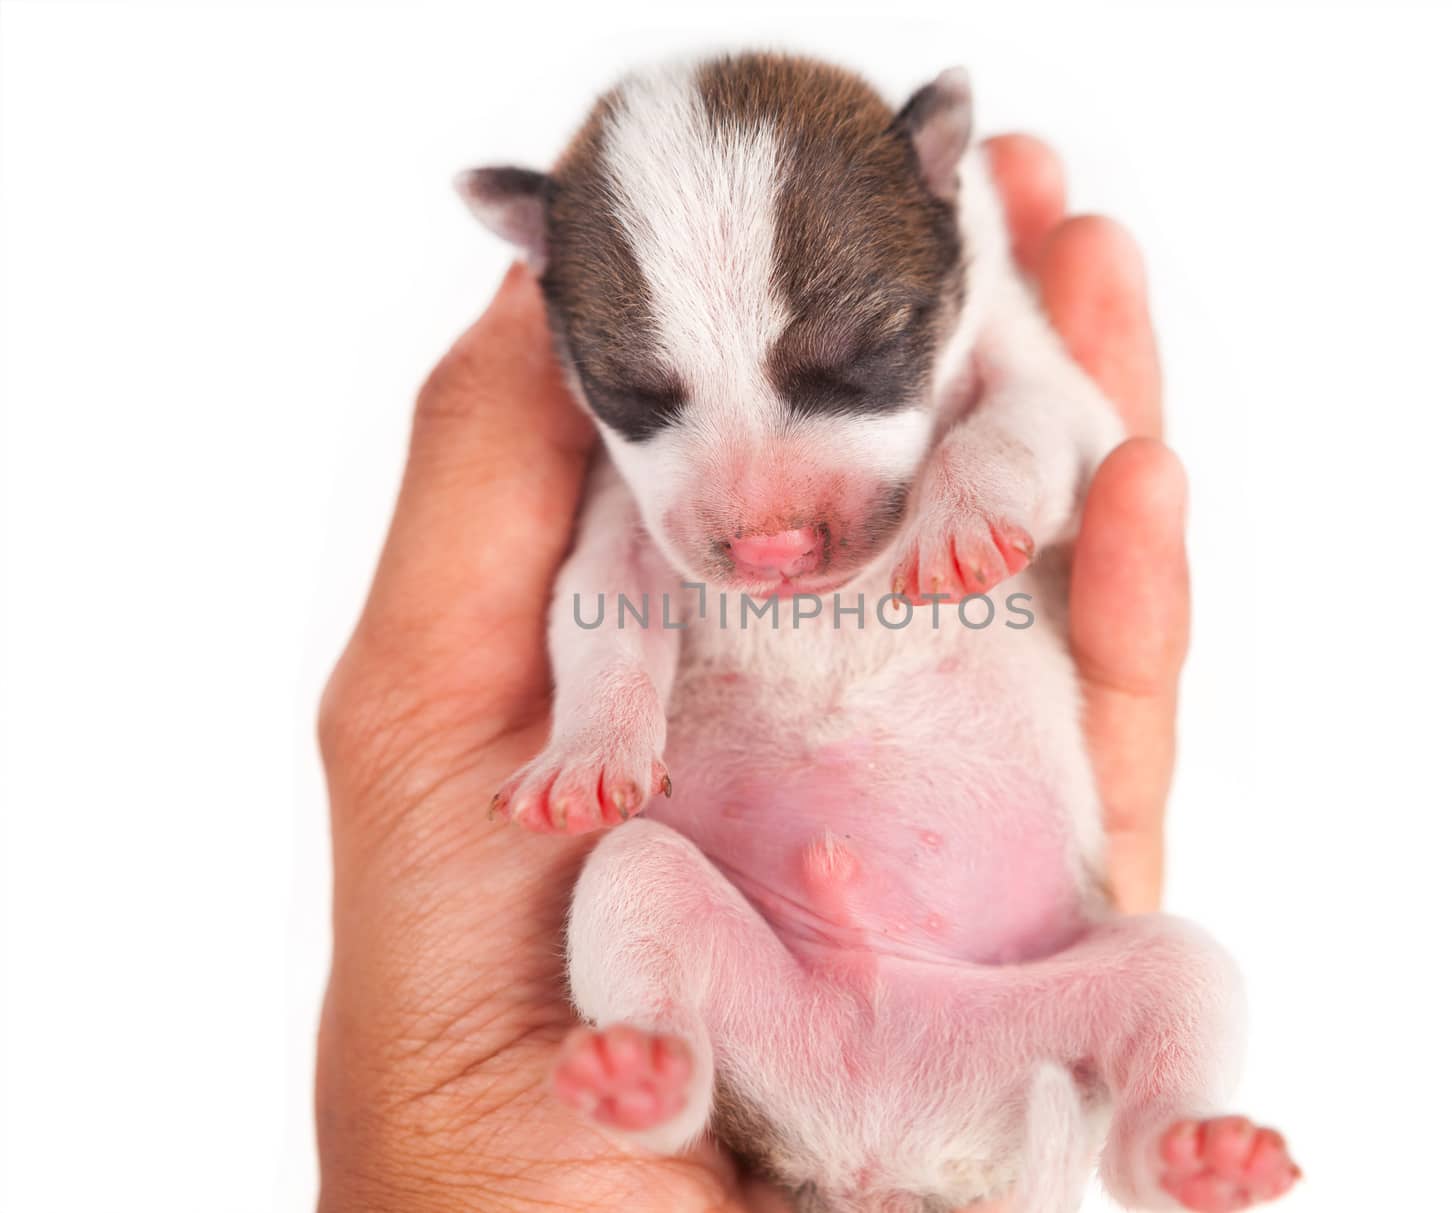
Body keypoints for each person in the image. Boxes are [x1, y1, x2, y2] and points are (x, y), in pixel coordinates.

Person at [315, 135, 1188, 1212]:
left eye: (833, 371)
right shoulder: (633, 475)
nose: (761, 523)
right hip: (769, 1013)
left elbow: (1071, 434)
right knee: (628, 875)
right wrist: (606, 722)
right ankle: (658, 1061)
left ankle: (1155, 1140)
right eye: (653, 391)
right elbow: (612, 582)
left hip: (1007, 1017)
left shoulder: (971, 339)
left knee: (1176, 977)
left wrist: (995, 469)